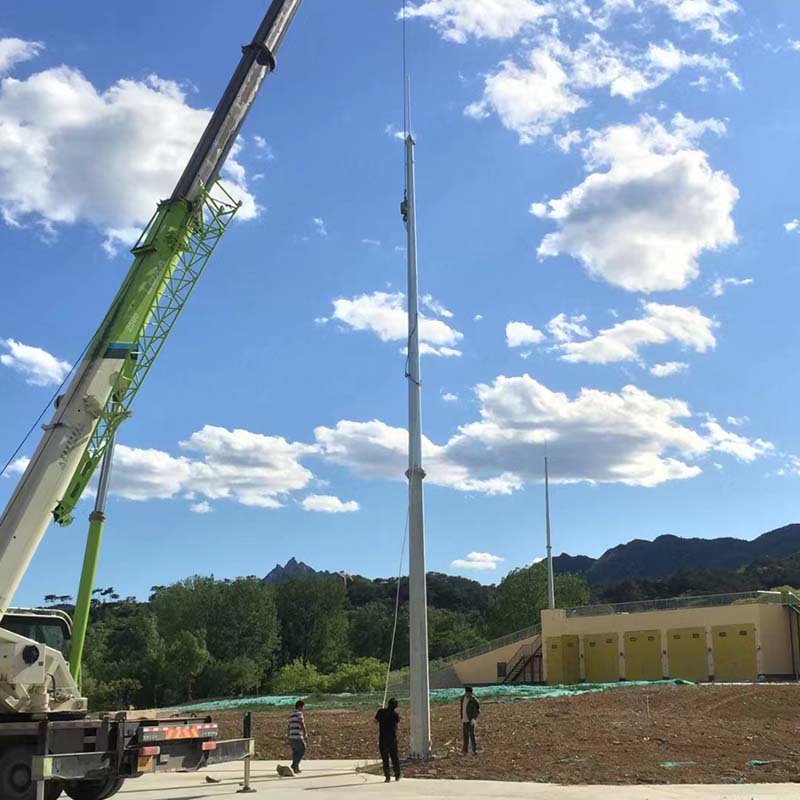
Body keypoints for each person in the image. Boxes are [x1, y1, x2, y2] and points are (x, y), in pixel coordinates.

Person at [374, 698, 401, 782]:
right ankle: (397, 775)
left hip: (382, 738)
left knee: (385, 759)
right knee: (394, 758)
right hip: (392, 739)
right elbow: (397, 722)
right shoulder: (395, 714)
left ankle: (387, 777)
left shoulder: (381, 712)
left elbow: (375, 721)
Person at [287, 700, 307, 774]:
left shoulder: (291, 714)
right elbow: (301, 723)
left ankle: (296, 767)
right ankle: (294, 765)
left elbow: (288, 726)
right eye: (303, 707)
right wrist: (305, 733)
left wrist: (288, 735)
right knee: (303, 749)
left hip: (291, 736)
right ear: (300, 706)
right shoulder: (299, 713)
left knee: (295, 751)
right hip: (297, 735)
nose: (304, 708)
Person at [460, 686, 480, 754]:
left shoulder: (473, 700)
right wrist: (461, 716)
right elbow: (462, 707)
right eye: (467, 693)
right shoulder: (463, 698)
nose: (468, 694)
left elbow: (478, 707)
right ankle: (465, 749)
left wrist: (474, 717)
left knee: (472, 735)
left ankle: (474, 750)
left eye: (469, 693)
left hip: (470, 720)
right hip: (464, 719)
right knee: (465, 735)